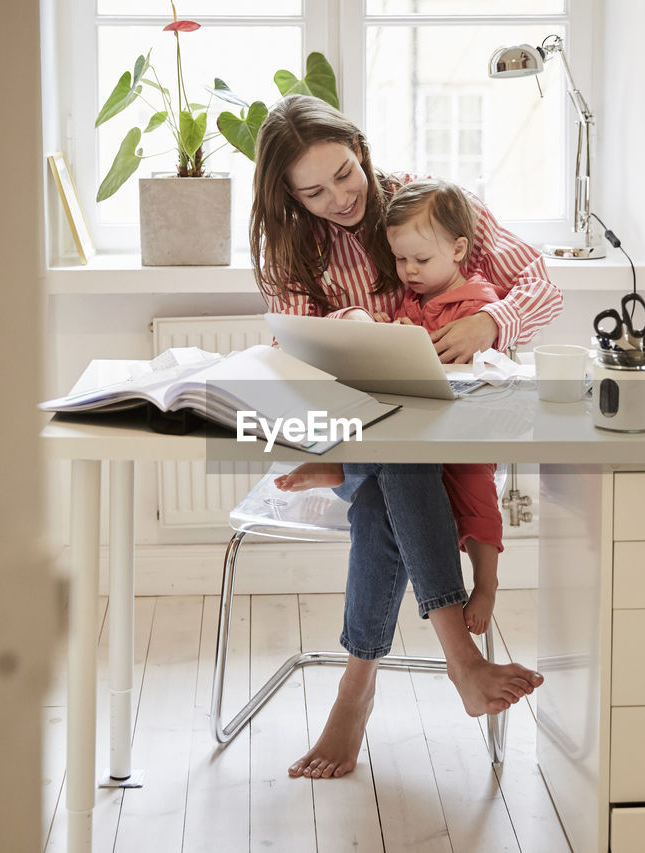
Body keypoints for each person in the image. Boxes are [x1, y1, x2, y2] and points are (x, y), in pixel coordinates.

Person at [250, 94, 561, 780]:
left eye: (344, 171)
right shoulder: (292, 253)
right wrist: (353, 338)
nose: (338, 196)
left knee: (389, 481)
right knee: (393, 462)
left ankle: (355, 689)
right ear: (288, 196)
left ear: (360, 148)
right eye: (313, 190)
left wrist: (494, 322)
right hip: (362, 430)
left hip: (441, 432)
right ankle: (461, 659)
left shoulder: (430, 203)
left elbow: (541, 283)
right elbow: (296, 358)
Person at [277, 178, 505, 635]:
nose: (408, 270)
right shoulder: (413, 298)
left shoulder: (478, 304)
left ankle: (486, 583)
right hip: (415, 433)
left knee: (477, 502)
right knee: (386, 444)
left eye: (420, 259)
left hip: (461, 436)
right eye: (400, 260)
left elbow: (490, 371)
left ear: (459, 250)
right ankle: (340, 464)